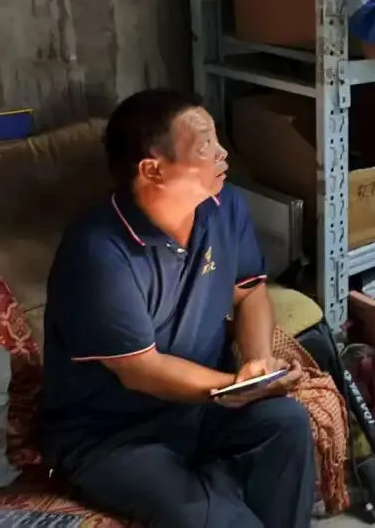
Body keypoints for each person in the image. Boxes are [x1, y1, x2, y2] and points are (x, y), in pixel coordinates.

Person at [40, 89, 317, 528]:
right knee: (215, 519)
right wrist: (233, 386)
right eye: (205, 145)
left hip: (200, 408)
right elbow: (141, 369)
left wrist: (259, 364)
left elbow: (250, 292)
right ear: (152, 169)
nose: (223, 153)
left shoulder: (224, 207)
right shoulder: (98, 251)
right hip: (112, 435)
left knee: (286, 424)